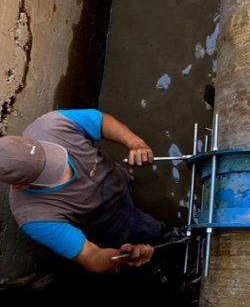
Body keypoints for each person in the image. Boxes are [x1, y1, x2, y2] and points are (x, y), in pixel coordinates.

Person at [0, 109, 170, 272]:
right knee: (156, 234)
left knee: (131, 185)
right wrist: (120, 256)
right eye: (50, 173)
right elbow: (91, 256)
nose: (67, 170)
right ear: (21, 186)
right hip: (112, 221)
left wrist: (135, 143)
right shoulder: (35, 217)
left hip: (117, 178)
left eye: (51, 156)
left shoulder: (51, 125)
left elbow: (101, 122)